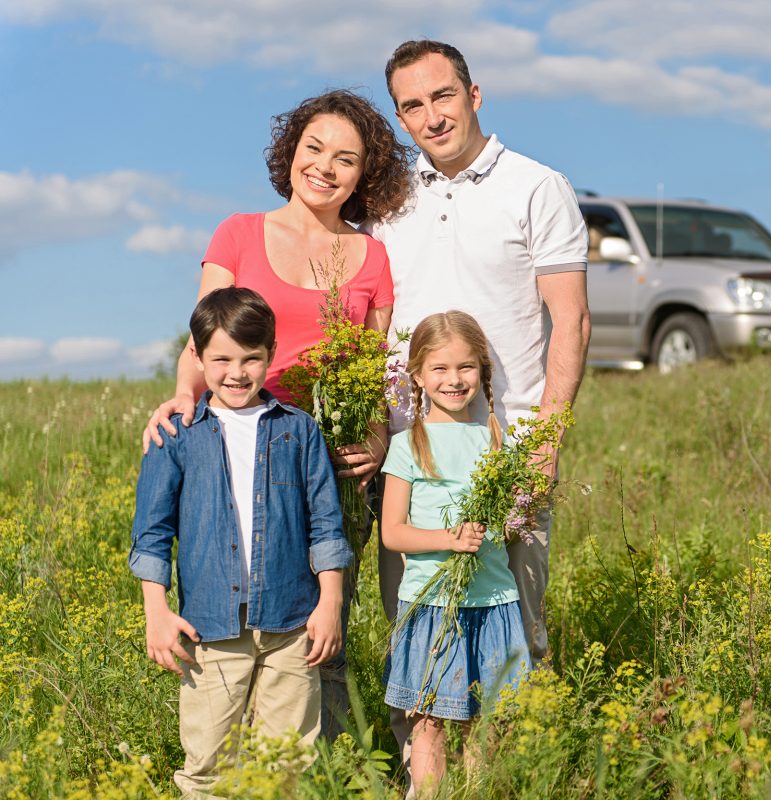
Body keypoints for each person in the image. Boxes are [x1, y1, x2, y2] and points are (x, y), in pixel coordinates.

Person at [141, 89, 412, 736]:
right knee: (233, 622)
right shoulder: (238, 232)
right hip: (234, 441)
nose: (324, 166)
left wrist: (375, 437)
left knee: (322, 634)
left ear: (362, 174)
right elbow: (199, 343)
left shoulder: (371, 256)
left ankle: (330, 771)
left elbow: (371, 365)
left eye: (345, 158)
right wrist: (185, 396)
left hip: (325, 458)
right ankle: (229, 761)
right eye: (313, 148)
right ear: (290, 151)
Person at [368, 36, 589, 678]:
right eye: (412, 107)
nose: (432, 117)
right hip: (413, 452)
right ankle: (424, 773)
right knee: (413, 634)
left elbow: (571, 321)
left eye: (442, 96)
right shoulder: (387, 198)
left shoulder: (537, 187)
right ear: (401, 119)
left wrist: (544, 442)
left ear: (473, 95)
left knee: (516, 641)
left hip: (507, 448)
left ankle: (508, 769)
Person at [129, 287, 352, 796]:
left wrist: (331, 602)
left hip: (293, 624)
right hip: (209, 628)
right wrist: (156, 613)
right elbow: (152, 532)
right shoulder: (176, 434)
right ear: (197, 357)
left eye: (251, 359)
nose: (237, 372)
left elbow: (325, 525)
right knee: (208, 763)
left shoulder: (300, 431)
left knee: (285, 766)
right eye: (221, 358)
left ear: (270, 355)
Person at [378, 311, 529, 796]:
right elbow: (393, 534)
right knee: (428, 722)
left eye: (465, 367)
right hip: (431, 604)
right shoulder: (407, 445)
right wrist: (449, 539)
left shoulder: (497, 443)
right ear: (417, 375)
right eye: (439, 369)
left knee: (485, 723)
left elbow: (505, 527)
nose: (454, 379)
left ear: (482, 372)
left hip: (492, 600)